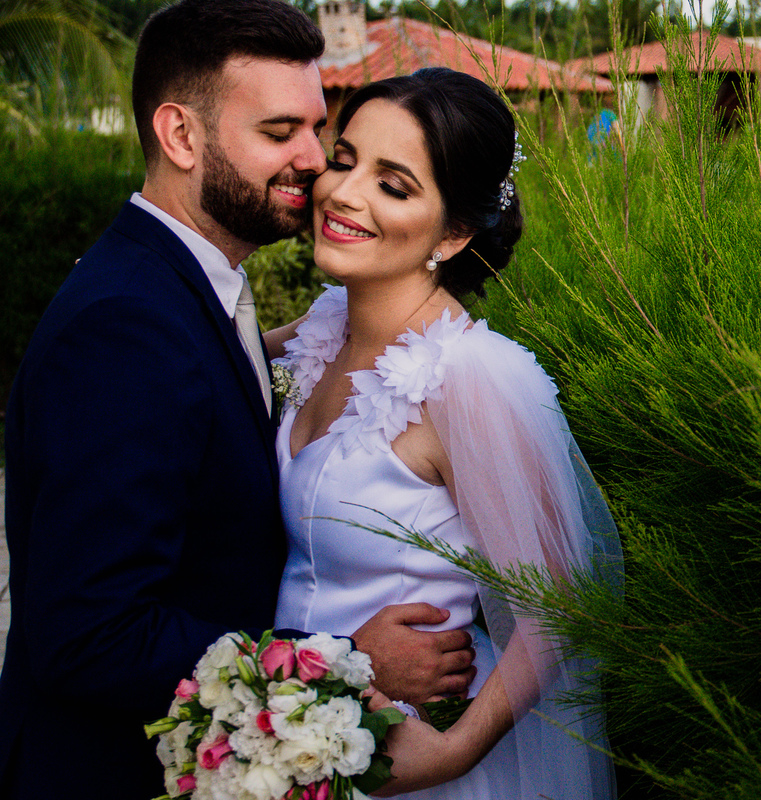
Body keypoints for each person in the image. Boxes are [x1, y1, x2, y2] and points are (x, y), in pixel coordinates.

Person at [0, 3, 472, 798]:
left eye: (318, 130)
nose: (315, 162)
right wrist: (336, 656)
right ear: (181, 136)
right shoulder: (126, 329)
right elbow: (89, 633)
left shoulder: (187, 287)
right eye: (279, 131)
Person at [271, 68, 623, 799]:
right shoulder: (325, 324)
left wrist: (456, 752)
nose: (344, 193)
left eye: (393, 186)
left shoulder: (470, 381)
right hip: (295, 731)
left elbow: (562, 600)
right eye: (345, 159)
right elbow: (212, 345)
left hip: (408, 754)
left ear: (455, 233)